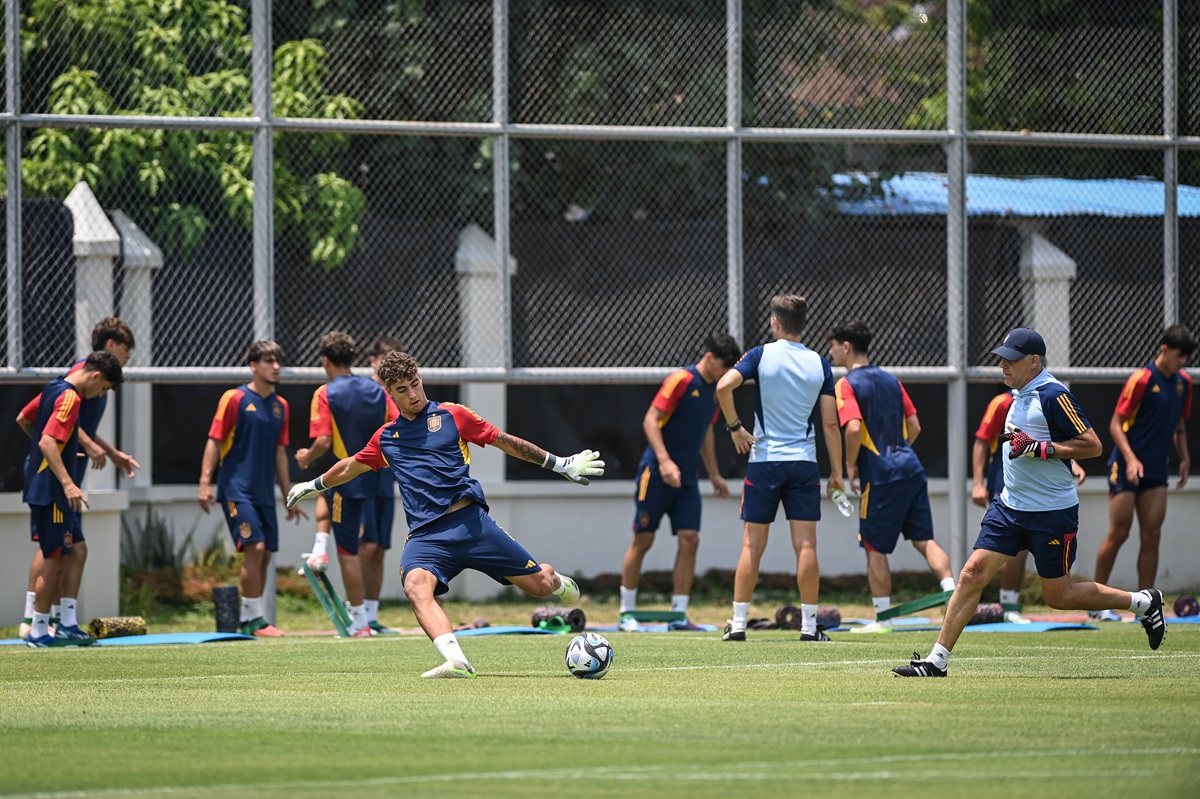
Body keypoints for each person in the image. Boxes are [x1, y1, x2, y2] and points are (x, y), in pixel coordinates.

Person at [286, 351, 605, 678]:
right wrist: (313, 485)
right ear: (390, 393)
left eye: (415, 384)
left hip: (472, 526)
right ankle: (456, 660)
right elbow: (351, 465)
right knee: (415, 587)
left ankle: (555, 578)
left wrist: (559, 463)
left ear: (421, 378)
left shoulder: (453, 415)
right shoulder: (386, 438)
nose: (413, 395)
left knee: (539, 586)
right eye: (402, 390)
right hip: (427, 538)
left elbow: (505, 442)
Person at [893, 328, 1167, 677]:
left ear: (1034, 361)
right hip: (1010, 508)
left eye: (1011, 359)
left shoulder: (1053, 394)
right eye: (1002, 359)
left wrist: (1044, 449)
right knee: (972, 573)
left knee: (1059, 595)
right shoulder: (1017, 395)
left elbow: (1093, 444)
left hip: (1052, 514)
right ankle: (936, 661)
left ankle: (1143, 602)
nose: (1003, 365)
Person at [715, 295, 845, 642]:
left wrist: (734, 428)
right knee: (806, 547)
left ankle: (739, 624)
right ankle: (808, 626)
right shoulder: (820, 363)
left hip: (764, 461)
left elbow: (723, 386)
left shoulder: (760, 355)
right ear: (804, 325)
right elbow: (831, 425)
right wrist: (837, 472)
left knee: (751, 546)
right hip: (803, 463)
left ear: (775, 322)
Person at [825, 321, 955, 633]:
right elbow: (915, 426)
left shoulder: (846, 384)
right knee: (925, 540)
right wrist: (898, 451)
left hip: (880, 477)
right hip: (911, 468)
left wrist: (850, 466)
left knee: (874, 546)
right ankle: (952, 592)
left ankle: (883, 619)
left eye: (832, 345)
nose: (829, 351)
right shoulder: (891, 380)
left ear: (846, 347)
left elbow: (853, 428)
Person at [15, 317, 140, 640]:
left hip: (52, 483)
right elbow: (46, 440)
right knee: (53, 555)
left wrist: (89, 449)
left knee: (68, 552)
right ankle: (38, 627)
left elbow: (29, 420)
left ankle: (60, 625)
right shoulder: (72, 393)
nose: (101, 394)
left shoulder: (59, 385)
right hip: (56, 487)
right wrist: (66, 476)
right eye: (103, 389)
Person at [619, 332, 742, 630]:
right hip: (656, 473)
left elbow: (707, 433)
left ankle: (679, 615)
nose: (727, 373)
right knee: (643, 539)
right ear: (710, 357)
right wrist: (664, 461)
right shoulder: (681, 380)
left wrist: (713, 473)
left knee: (690, 540)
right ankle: (627, 613)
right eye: (724, 366)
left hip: (686, 480)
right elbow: (650, 420)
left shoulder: (716, 390)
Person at [199, 340, 308, 637]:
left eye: (278, 361)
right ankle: (253, 619)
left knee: (266, 553)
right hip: (235, 490)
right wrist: (205, 482)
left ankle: (252, 618)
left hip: (263, 493)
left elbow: (279, 453)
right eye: (268, 361)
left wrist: (290, 494)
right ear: (253, 365)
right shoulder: (233, 398)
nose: (275, 366)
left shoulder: (280, 406)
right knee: (255, 547)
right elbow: (215, 439)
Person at [1089, 325, 1194, 620]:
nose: (1182, 363)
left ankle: (1146, 607)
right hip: (1125, 467)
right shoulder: (1142, 379)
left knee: (1153, 532)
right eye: (1178, 356)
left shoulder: (1183, 383)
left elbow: (1180, 425)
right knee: (1119, 532)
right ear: (1164, 350)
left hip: (1156, 470)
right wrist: (1131, 459)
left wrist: (1185, 457)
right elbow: (1115, 424)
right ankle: (1097, 605)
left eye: (1186, 358)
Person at [295, 332, 396, 637]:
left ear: (325, 360)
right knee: (376, 548)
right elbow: (397, 425)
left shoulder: (325, 393)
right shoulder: (379, 390)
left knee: (348, 550)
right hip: (381, 477)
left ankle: (361, 621)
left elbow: (324, 441)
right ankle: (365, 617)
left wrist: (305, 456)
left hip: (348, 480)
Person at [973, 387, 1086, 622]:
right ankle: (1005, 604)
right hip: (1007, 484)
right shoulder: (1002, 403)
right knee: (1001, 553)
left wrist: (1072, 462)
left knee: (1030, 560)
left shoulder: (1049, 398)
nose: (1006, 367)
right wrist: (977, 483)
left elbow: (1056, 440)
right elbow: (981, 441)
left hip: (1040, 491)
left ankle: (1009, 605)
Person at [363, 334, 406, 631]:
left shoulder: (398, 395)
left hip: (386, 478)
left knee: (379, 547)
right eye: (385, 362)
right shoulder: (363, 392)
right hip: (362, 477)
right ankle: (356, 615)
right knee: (364, 545)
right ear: (373, 362)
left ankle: (370, 615)